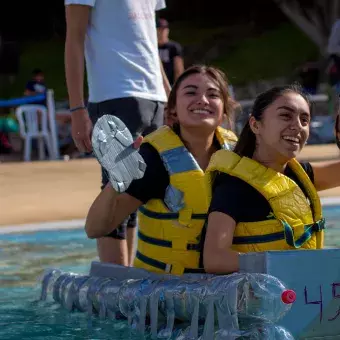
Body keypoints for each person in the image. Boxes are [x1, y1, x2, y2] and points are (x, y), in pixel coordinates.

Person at [85, 65, 238, 275]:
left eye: (213, 94)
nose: (202, 100)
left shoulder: (239, 156)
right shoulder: (152, 158)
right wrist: (115, 182)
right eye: (191, 92)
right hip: (163, 289)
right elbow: (95, 229)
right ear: (173, 108)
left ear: (223, 111)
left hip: (224, 285)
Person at [64, 0, 171, 266]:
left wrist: (170, 97)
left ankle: (128, 278)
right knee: (117, 186)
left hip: (155, 96)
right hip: (115, 94)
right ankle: (114, 280)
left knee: (138, 191)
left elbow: (150, 46)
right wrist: (77, 107)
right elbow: (74, 38)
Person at [203, 84, 340, 274]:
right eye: (286, 115)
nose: (297, 126)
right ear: (255, 125)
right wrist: (280, 264)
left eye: (304, 120)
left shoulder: (300, 175)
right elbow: (214, 258)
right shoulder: (234, 185)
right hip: (264, 299)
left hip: (302, 292)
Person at [157, 18, 184, 86]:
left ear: (168, 30)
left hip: (170, 83)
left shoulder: (174, 47)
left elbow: (179, 68)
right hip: (156, 83)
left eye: (164, 29)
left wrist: (177, 86)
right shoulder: (152, 47)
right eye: (159, 29)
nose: (162, 32)